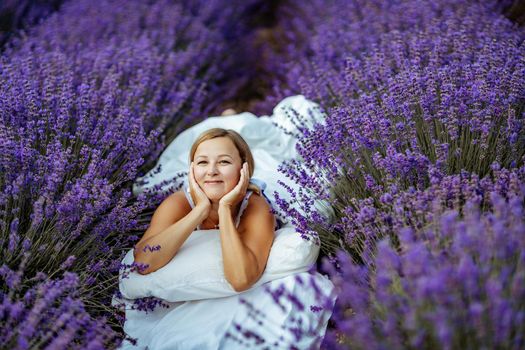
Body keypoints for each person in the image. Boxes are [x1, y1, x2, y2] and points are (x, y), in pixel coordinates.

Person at [133, 128, 277, 292]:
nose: (211, 171)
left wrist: (225, 208)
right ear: (192, 169)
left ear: (243, 168)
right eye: (202, 162)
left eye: (224, 162)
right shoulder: (178, 203)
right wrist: (200, 210)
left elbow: (241, 279)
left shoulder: (256, 207)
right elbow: (143, 264)